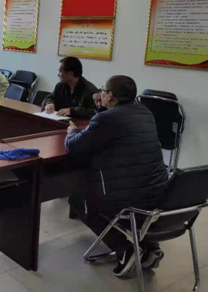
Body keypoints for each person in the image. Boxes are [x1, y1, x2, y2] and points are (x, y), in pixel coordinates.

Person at [66, 75, 168, 278]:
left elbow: (74, 146)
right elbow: (111, 129)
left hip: (130, 201)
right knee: (134, 188)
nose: (100, 93)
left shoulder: (107, 119)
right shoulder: (145, 112)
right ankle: (150, 247)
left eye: (103, 91)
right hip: (161, 194)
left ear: (110, 95)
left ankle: (125, 250)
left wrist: (71, 131)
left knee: (78, 200)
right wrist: (100, 108)